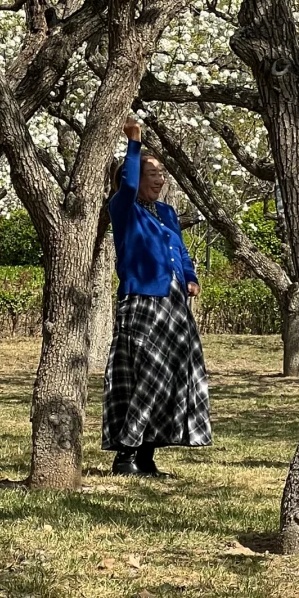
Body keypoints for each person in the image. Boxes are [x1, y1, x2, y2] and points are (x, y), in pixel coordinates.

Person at [102, 117, 211, 476]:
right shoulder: (124, 207)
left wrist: (190, 276)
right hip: (143, 301)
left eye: (162, 173)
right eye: (153, 173)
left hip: (174, 302)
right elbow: (129, 180)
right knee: (146, 374)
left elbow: (179, 250)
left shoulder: (166, 212)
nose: (159, 178)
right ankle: (127, 454)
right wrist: (134, 143)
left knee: (170, 376)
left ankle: (148, 453)